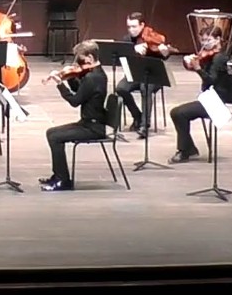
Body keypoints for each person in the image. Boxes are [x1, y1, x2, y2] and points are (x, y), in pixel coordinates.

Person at [39, 40, 107, 192]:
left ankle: (63, 181)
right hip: (88, 122)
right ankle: (58, 176)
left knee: (55, 137)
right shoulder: (97, 74)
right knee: (51, 132)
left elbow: (75, 101)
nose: (78, 63)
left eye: (80, 58)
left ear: (89, 58)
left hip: (93, 127)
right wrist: (70, 77)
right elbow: (81, 91)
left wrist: (60, 84)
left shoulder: (92, 78)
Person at [168, 26, 232, 163]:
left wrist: (198, 68)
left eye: (208, 40)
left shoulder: (219, 58)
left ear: (218, 39)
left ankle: (185, 151)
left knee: (179, 113)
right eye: (203, 40)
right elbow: (200, 70)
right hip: (208, 98)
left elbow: (211, 80)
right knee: (176, 112)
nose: (205, 43)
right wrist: (188, 63)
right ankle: (189, 148)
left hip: (216, 101)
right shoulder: (208, 56)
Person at [115, 12, 175, 139]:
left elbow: (164, 57)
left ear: (142, 25)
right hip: (135, 74)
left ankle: (144, 125)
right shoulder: (126, 40)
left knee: (145, 87)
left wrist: (165, 52)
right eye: (129, 27)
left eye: (134, 27)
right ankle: (137, 116)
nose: (131, 30)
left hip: (154, 76)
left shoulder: (153, 37)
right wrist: (133, 50)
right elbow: (121, 57)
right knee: (120, 88)